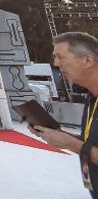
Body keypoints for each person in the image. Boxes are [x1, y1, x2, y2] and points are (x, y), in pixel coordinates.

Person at [31, 32, 98, 198]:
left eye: (60, 57)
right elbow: (92, 142)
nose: (55, 63)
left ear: (87, 61)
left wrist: (72, 145)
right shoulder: (92, 97)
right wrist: (63, 135)